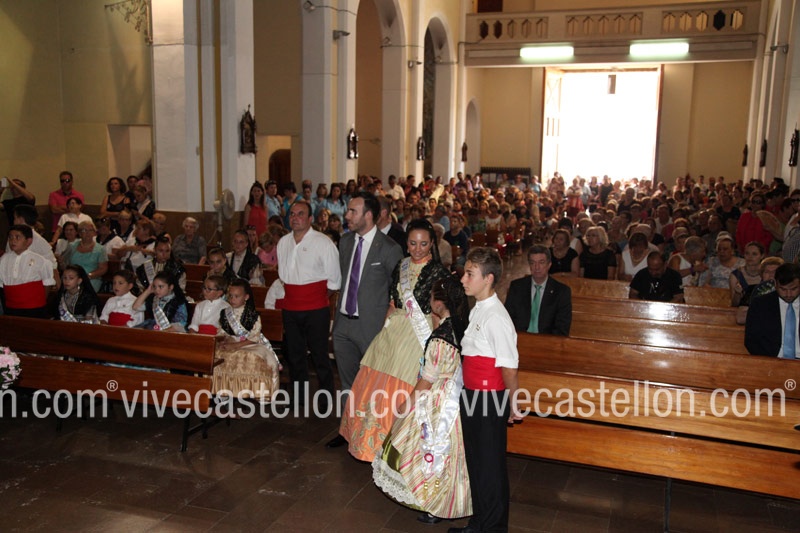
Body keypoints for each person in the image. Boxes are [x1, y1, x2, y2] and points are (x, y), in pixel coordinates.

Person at [340, 219, 450, 462]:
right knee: (372, 381)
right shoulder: (401, 265)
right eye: (413, 243)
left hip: (417, 335)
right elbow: (392, 302)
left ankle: (397, 451)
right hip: (393, 331)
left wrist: (434, 347)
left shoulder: (439, 273)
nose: (418, 249)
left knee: (403, 384)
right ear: (406, 243)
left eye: (423, 244)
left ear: (432, 244)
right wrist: (382, 332)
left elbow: (438, 314)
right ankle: (369, 444)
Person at [372, 275, 471, 522]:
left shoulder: (440, 337)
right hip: (459, 397)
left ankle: (433, 502)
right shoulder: (463, 327)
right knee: (454, 454)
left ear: (438, 303)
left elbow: (427, 379)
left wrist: (406, 405)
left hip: (438, 401)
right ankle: (453, 499)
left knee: (431, 449)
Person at [327, 192, 402, 448]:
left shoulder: (389, 247)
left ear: (368, 215)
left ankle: (371, 436)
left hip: (371, 326)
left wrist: (388, 323)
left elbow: (397, 288)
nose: (347, 215)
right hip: (343, 323)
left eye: (352, 211)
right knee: (347, 381)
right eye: (348, 210)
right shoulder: (346, 241)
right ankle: (347, 431)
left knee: (372, 382)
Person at [457, 246, 523, 533]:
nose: (463, 279)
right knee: (476, 462)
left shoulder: (496, 316)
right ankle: (479, 522)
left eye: (470, 274)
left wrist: (513, 403)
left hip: (488, 399)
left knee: (490, 467)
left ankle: (494, 527)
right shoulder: (479, 309)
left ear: (488, 278)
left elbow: (509, 367)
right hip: (472, 395)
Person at [277, 200, 341, 406]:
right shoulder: (283, 242)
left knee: (319, 355)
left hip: (316, 308)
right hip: (290, 307)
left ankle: (325, 399)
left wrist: (314, 297)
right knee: (295, 356)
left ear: (310, 218)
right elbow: (284, 277)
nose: (295, 218)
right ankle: (299, 398)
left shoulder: (323, 243)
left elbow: (334, 280)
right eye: (292, 214)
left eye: (300, 214)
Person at [213, 279, 281, 400]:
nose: (232, 299)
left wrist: (236, 346)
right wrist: (225, 341)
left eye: (237, 296)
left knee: (251, 357)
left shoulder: (252, 315)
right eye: (230, 296)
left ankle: (251, 390)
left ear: (246, 297)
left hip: (251, 344)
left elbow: (254, 337)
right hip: (231, 342)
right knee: (216, 354)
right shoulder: (224, 313)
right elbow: (222, 332)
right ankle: (223, 390)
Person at [505, 245, 572, 335]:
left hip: (547, 340)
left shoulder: (561, 292)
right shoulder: (517, 287)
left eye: (541, 262)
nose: (537, 267)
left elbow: (562, 328)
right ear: (529, 265)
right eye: (533, 263)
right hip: (519, 338)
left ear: (549, 265)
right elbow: (507, 319)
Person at [745, 262, 800, 358]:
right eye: (783, 289)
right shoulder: (760, 304)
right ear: (775, 283)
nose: (788, 294)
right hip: (771, 360)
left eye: (793, 289)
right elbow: (752, 340)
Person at [0, 225, 56, 318]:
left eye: (17, 237)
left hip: (34, 307)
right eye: (10, 237)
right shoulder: (3, 259)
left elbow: (47, 283)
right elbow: (1, 284)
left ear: (28, 241)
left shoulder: (40, 260)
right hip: (11, 307)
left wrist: (38, 301)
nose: (13, 240)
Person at [63, 220, 108, 292]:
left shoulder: (100, 249)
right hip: (72, 279)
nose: (88, 233)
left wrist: (89, 276)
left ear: (94, 233)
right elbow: (65, 264)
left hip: (91, 279)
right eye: (84, 230)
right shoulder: (72, 246)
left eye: (90, 230)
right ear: (79, 233)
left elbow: (103, 268)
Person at [730, 241, 766, 307]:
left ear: (762, 256)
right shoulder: (736, 275)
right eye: (747, 253)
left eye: (754, 254)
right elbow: (734, 304)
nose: (750, 257)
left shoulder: (767, 274)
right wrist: (737, 294)